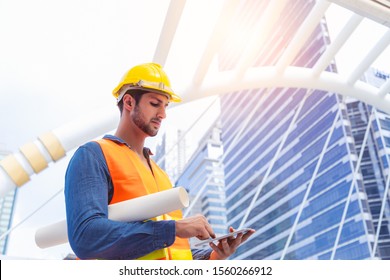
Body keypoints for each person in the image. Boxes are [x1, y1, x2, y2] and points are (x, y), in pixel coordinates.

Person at [64, 62, 255, 260]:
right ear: (129, 103)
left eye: (165, 106)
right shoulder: (94, 155)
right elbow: (86, 236)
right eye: (155, 104)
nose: (163, 114)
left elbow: (171, 251)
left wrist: (213, 256)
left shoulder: (160, 174)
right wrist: (173, 229)